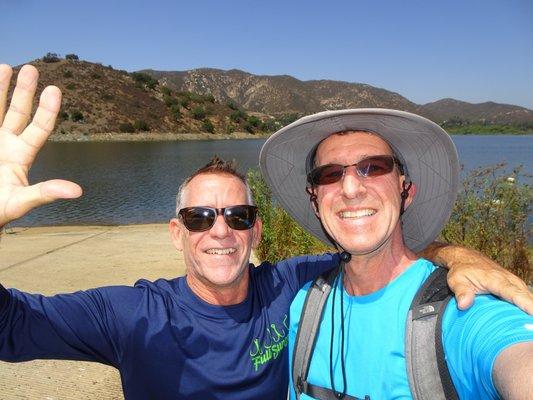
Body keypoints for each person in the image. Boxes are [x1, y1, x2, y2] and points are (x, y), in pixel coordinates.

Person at [0, 64, 531, 400]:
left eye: (238, 216)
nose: (220, 231)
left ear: (256, 232)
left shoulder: (292, 286)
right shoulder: (129, 315)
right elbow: (11, 326)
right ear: (175, 233)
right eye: (200, 217)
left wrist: (455, 253)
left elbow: (378, 251)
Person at [259, 108, 533, 399]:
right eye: (330, 174)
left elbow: (516, 358)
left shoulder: (461, 307)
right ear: (315, 204)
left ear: (406, 191)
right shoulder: (304, 303)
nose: (351, 189)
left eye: (374, 167)